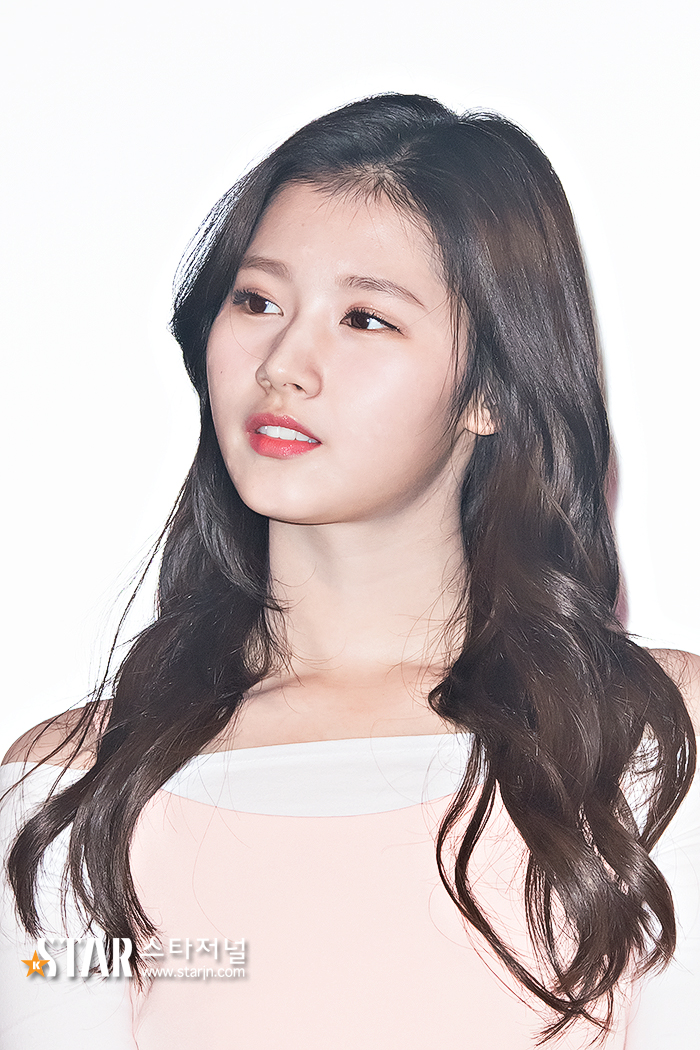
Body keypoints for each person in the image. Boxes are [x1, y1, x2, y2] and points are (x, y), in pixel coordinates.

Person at [1, 93, 697, 1049]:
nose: (284, 362)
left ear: (492, 391)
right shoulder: (71, 786)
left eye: (366, 319)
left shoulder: (653, 737)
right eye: (257, 301)